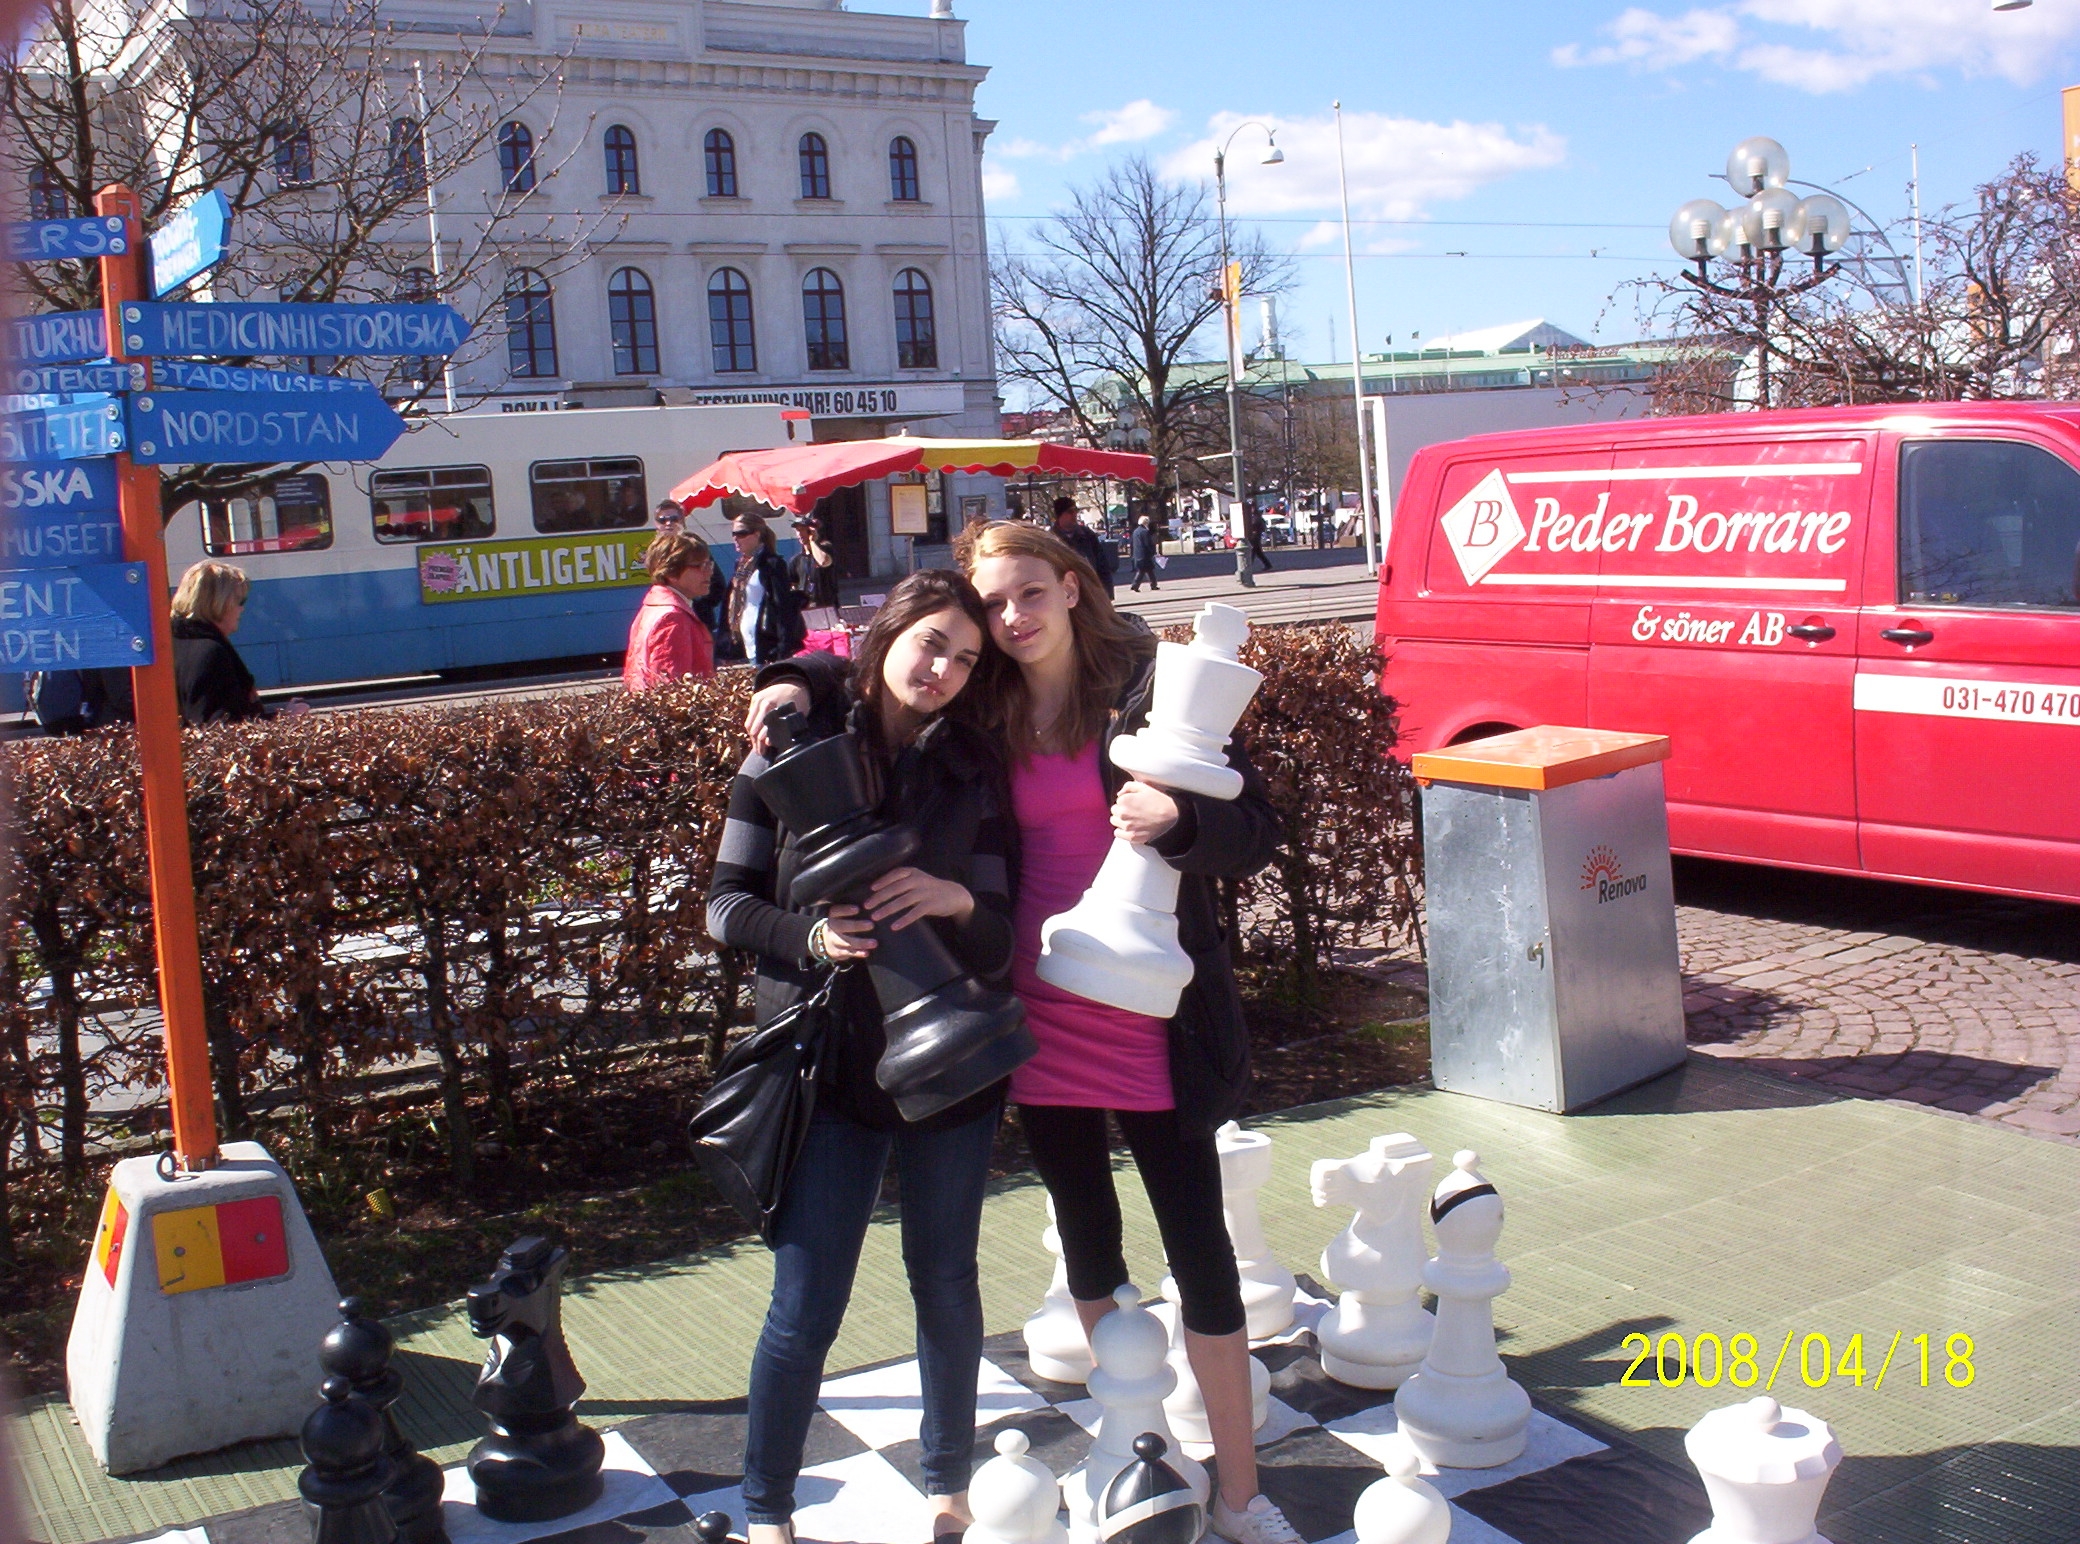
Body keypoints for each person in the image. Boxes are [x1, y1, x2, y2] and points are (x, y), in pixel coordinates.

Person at [746, 523, 1290, 1544]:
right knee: (1089, 1240)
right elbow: (868, 674)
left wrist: (1176, 822)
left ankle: (1242, 1489)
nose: (1009, 618)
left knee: (1201, 1250)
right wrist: (785, 676)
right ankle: (1136, 1443)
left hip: (1151, 1006)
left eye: (1029, 594)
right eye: (994, 605)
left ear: (1075, 588)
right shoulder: (983, 708)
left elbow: (1256, 829)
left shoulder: (1148, 692)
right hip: (1035, 1005)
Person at [707, 570, 1017, 1544]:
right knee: (806, 1304)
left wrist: (956, 901)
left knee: (947, 1281)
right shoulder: (781, 753)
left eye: (965, 658)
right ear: (883, 638)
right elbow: (724, 905)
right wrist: (810, 939)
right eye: (931, 643)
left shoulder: (974, 765)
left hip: (951, 1067)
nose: (944, 669)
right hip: (831, 1067)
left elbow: (1003, 928)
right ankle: (767, 1505)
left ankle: (945, 1481)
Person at [169, 560, 309, 726]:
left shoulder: (174, 643)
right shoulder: (211, 653)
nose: (242, 609)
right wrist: (284, 720)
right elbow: (223, 728)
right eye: (239, 601)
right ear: (219, 602)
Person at [624, 532, 719, 690]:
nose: (709, 572)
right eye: (700, 566)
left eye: (709, 564)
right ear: (671, 572)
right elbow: (671, 689)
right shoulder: (672, 617)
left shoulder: (653, 606)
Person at [729, 511, 806, 667]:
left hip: (767, 644)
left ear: (757, 534)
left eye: (741, 533)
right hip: (748, 644)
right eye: (734, 534)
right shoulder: (742, 565)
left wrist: (783, 650)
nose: (736, 538)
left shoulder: (772, 564)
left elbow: (783, 608)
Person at [1050, 496, 1116, 598]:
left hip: (1090, 593)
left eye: (1075, 511)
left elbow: (1102, 566)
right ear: (1060, 515)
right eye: (1070, 512)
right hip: (1065, 596)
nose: (1074, 515)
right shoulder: (1051, 540)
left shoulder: (1087, 535)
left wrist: (1107, 594)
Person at [788, 515, 841, 616]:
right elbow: (793, 584)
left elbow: (824, 562)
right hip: (806, 609)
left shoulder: (826, 549)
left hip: (826, 606)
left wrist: (812, 541)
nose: (799, 534)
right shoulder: (796, 560)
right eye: (797, 530)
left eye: (803, 530)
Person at [1128, 514, 1161, 592]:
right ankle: (1135, 585)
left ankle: (1153, 585)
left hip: (1137, 554)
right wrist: (1153, 552)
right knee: (1142, 571)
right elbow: (1148, 543)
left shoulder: (1135, 531)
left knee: (1149, 570)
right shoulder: (1145, 532)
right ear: (1146, 523)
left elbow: (1132, 543)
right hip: (1145, 555)